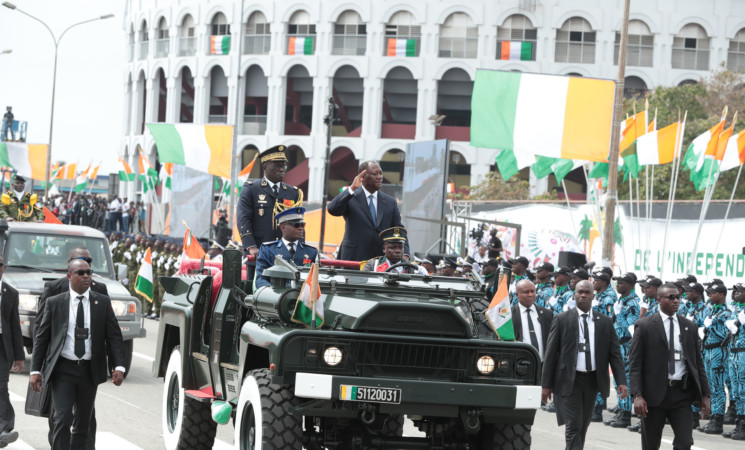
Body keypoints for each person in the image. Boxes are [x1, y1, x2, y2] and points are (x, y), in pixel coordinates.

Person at [30, 259, 126, 450]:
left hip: (89, 370)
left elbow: (114, 336)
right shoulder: (55, 302)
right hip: (63, 369)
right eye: (80, 273)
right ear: (69, 276)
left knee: (83, 423)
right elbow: (42, 339)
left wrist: (119, 366)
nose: (86, 276)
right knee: (62, 418)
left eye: (88, 272)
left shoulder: (102, 302)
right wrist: (35, 370)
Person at [541, 280, 628, 449]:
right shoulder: (562, 319)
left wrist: (622, 382)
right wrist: (546, 385)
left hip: (592, 381)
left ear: (593, 296)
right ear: (574, 294)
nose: (583, 295)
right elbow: (550, 354)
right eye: (580, 292)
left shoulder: (604, 322)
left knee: (583, 425)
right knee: (573, 425)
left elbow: (615, 355)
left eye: (587, 292)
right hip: (569, 380)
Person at [629, 282, 711, 450]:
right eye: (671, 297)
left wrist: (705, 395)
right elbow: (635, 364)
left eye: (678, 297)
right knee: (651, 444)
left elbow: (697, 363)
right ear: (659, 300)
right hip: (653, 396)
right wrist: (637, 395)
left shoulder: (690, 326)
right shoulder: (645, 326)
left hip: (681, 394)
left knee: (685, 442)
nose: (676, 301)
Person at [237, 145, 302, 280]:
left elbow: (298, 224)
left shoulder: (293, 192)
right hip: (259, 253)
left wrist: (300, 249)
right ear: (265, 167)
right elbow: (243, 219)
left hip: (285, 256)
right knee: (255, 293)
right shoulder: (252, 189)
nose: (281, 169)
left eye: (283, 165)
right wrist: (251, 246)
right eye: (276, 165)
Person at [327, 160, 408, 262]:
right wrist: (352, 189)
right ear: (363, 176)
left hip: (379, 261)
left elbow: (399, 229)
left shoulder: (390, 202)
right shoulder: (351, 197)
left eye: (380, 173)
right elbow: (332, 209)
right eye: (375, 174)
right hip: (353, 258)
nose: (379, 177)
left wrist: (405, 254)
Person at [603, 273, 640, 429]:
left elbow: (632, 327)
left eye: (621, 283)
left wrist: (619, 315)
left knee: (624, 379)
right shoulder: (622, 300)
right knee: (618, 379)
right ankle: (621, 410)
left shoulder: (633, 303)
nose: (617, 285)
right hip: (617, 344)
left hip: (626, 345)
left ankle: (625, 414)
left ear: (630, 285)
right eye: (617, 282)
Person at [696, 283, 732, 435]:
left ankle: (718, 420)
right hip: (709, 351)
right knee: (711, 387)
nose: (709, 295)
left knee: (718, 387)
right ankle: (713, 418)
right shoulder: (713, 311)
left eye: (713, 293)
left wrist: (710, 327)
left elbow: (725, 334)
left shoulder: (726, 313)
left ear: (722, 295)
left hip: (718, 351)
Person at [255, 207, 318, 289]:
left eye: (302, 225)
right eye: (296, 225)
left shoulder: (312, 252)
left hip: (302, 298)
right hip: (276, 297)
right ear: (283, 227)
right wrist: (273, 293)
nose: (301, 228)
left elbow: (317, 279)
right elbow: (260, 279)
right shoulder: (268, 250)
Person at [0, 256, 24, 447]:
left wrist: (19, 357)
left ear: (4, 267)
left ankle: (6, 427)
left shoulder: (11, 292)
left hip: (2, 347)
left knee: (1, 387)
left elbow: (15, 326)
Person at [512, 279, 553, 362]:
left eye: (533, 291)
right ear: (517, 295)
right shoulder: (510, 315)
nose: (530, 295)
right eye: (526, 292)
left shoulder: (547, 314)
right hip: (519, 364)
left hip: (543, 365)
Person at [724, 283, 745, 440]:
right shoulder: (737, 309)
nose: (736, 294)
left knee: (744, 391)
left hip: (744, 353)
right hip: (733, 353)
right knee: (736, 391)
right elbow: (730, 326)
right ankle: (739, 423)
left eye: (740, 292)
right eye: (735, 291)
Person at [362, 227, 427, 274]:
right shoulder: (373, 266)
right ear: (384, 249)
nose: (398, 251)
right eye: (393, 248)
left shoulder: (413, 268)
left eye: (400, 247)